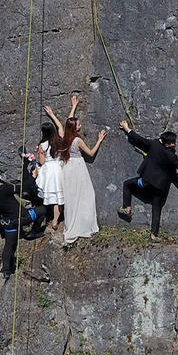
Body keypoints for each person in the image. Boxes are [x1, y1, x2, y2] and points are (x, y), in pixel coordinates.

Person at [116, 120, 178, 240]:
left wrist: (126, 128)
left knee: (127, 184)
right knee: (156, 208)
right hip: (161, 188)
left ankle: (127, 208)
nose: (175, 144)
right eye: (173, 143)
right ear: (167, 144)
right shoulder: (171, 156)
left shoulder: (154, 144)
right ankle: (153, 235)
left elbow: (139, 139)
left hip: (146, 182)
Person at [45, 96, 106, 245]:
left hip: (67, 168)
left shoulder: (64, 136)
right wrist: (99, 140)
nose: (80, 125)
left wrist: (73, 107)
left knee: (72, 198)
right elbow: (90, 153)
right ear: (75, 128)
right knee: (86, 195)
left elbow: (68, 122)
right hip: (78, 168)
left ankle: (72, 223)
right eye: (78, 124)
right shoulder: (77, 141)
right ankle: (84, 224)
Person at [0, 172, 46, 276]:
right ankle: (32, 232)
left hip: (9, 223)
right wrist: (33, 175)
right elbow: (24, 187)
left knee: (9, 245)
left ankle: (6, 269)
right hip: (24, 217)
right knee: (43, 210)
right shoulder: (3, 189)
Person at [34, 121, 64, 230]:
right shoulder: (60, 140)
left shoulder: (42, 145)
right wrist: (52, 114)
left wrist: (38, 154)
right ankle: (56, 219)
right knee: (59, 196)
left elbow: (42, 162)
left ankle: (52, 218)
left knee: (53, 196)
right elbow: (60, 126)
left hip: (49, 171)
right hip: (59, 168)